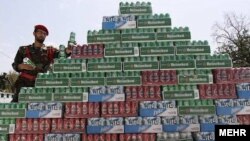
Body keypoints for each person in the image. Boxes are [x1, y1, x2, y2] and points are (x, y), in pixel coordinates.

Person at [11, 24, 72, 102]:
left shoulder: (50, 50)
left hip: (41, 85)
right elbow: (15, 65)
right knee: (17, 107)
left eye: (44, 33)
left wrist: (68, 50)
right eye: (40, 32)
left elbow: (61, 54)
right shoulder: (23, 49)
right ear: (34, 33)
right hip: (23, 84)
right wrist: (21, 66)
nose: (42, 35)